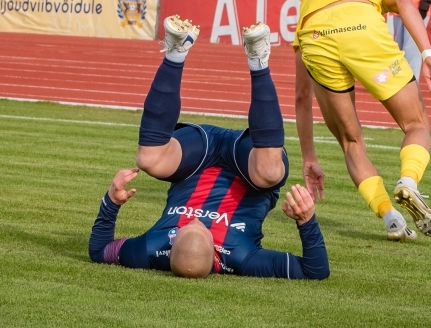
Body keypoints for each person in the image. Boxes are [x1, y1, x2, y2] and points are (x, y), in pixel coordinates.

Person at [88, 15, 330, 279]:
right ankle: (258, 59)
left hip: (196, 157)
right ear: (214, 252)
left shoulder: (153, 248)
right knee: (271, 172)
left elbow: (99, 250)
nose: (194, 220)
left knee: (148, 159)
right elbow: (315, 270)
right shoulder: (242, 258)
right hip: (248, 163)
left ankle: (175, 52)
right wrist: (306, 219)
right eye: (201, 226)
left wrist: (111, 201)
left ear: (172, 244)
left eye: (182, 227)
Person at [293, 0, 431, 242]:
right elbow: (404, 3)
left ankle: (390, 217)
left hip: (316, 38)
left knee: (351, 143)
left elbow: (302, 95)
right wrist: (427, 54)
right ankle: (408, 182)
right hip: (362, 30)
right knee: (416, 123)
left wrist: (309, 157)